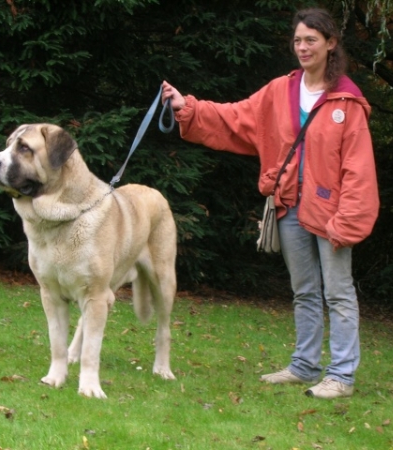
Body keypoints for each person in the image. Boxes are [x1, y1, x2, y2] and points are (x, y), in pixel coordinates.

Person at [161, 7, 379, 399]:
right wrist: (187, 107)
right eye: (298, 40)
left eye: (311, 39)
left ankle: (342, 376)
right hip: (289, 208)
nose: (303, 47)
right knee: (305, 291)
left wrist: (346, 223)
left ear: (331, 44)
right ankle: (304, 365)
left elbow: (358, 171)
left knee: (339, 293)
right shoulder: (280, 91)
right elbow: (235, 118)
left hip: (331, 215)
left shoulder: (347, 101)